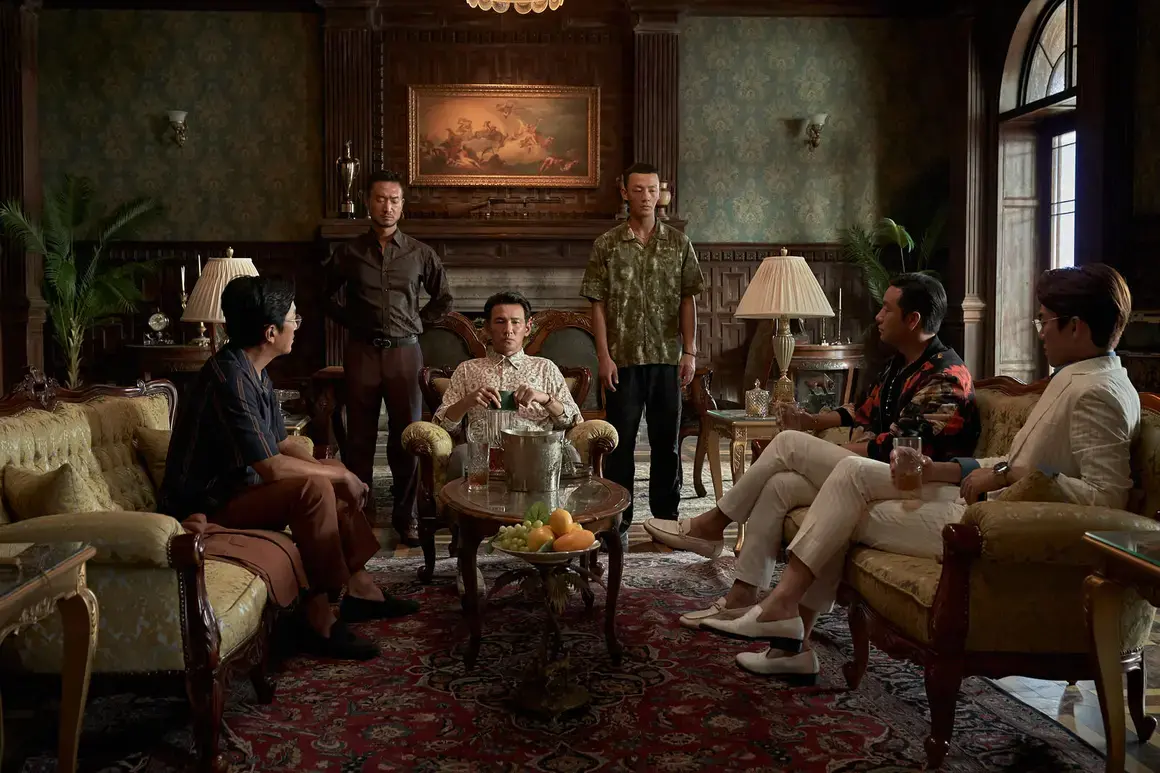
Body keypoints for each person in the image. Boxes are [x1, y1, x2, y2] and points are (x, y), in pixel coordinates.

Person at [700, 264, 1137, 682]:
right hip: (972, 500)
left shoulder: (1097, 392)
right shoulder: (1076, 379)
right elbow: (1018, 462)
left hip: (995, 527)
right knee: (819, 481)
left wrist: (1003, 476)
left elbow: (1106, 500)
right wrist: (946, 469)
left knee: (840, 489)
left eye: (1045, 321)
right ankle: (787, 639)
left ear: (1076, 327)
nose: (1039, 331)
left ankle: (780, 612)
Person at [644, 273, 980, 636]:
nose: (878, 316)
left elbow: (896, 449)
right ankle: (742, 595)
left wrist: (820, 449)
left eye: (887, 309)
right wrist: (811, 421)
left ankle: (712, 525)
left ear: (913, 320)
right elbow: (861, 411)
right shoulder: (900, 363)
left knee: (788, 445)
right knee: (781, 485)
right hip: (880, 474)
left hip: (920, 485)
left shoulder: (946, 376)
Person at [160, 276, 419, 662]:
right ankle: (319, 615)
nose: (298, 325)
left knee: (327, 470)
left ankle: (360, 587)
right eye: (294, 318)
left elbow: (281, 443)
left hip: (241, 490)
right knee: (313, 487)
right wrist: (339, 476)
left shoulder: (254, 370)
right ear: (270, 332)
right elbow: (272, 467)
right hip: (207, 505)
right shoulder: (228, 379)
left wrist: (332, 468)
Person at [323, 169, 453, 547]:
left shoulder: (420, 253)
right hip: (362, 352)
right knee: (360, 437)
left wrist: (417, 323)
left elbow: (443, 299)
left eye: (394, 200)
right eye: (380, 199)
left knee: (407, 436)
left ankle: (405, 515)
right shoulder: (348, 252)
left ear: (402, 205)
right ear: (369, 202)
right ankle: (359, 514)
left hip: (405, 352)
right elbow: (322, 295)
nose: (387, 206)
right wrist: (351, 322)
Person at [581, 162, 705, 542]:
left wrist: (689, 352)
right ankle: (617, 521)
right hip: (623, 361)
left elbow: (688, 299)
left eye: (652, 190)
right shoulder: (607, 245)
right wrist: (603, 357)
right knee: (620, 445)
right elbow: (597, 304)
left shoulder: (679, 244)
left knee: (667, 445)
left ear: (660, 194)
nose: (646, 197)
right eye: (638, 190)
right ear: (625, 192)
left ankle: (666, 520)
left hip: (667, 358)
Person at [433, 291, 583, 475]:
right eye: (500, 321)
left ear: (527, 327)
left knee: (569, 453)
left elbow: (572, 421)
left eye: (515, 322)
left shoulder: (546, 368)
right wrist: (467, 401)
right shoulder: (467, 369)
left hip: (537, 451)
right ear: (487, 328)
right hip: (482, 453)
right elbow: (443, 426)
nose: (508, 330)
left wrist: (545, 399)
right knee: (460, 455)